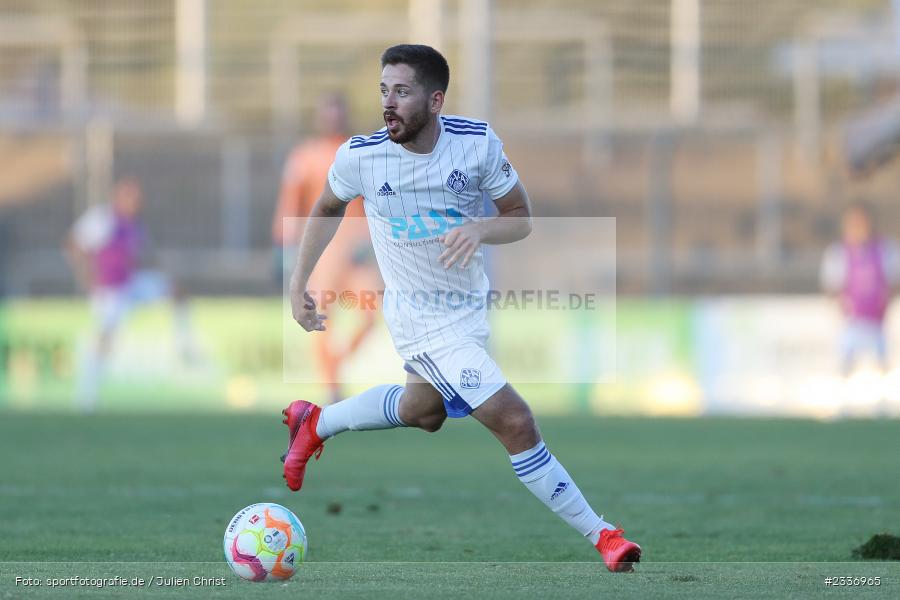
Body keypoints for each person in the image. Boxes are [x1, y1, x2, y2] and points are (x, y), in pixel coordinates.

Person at [280, 45, 640, 572]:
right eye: (384, 90)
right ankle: (604, 535)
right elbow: (328, 207)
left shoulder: (475, 146)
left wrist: (479, 227)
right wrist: (298, 282)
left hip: (468, 312)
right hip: (418, 317)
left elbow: (520, 216)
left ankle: (317, 421)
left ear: (435, 99)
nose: (389, 103)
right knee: (515, 421)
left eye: (402, 92)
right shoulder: (361, 156)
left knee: (422, 413)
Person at [272, 93, 380, 404]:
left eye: (337, 113)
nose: (333, 120)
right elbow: (290, 202)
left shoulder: (361, 153)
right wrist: (284, 245)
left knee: (370, 316)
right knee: (322, 317)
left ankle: (336, 366)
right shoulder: (304, 156)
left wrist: (373, 237)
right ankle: (332, 388)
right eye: (327, 114)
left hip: (357, 240)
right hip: (323, 243)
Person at [64, 177, 197, 412]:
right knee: (105, 339)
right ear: (118, 197)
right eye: (130, 196)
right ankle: (86, 396)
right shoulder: (103, 218)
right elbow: (73, 243)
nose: (135, 202)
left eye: (137, 198)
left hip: (130, 284)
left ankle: (184, 346)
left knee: (177, 292)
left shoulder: (135, 224)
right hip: (110, 290)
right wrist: (87, 276)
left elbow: (136, 256)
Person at [820, 202, 900, 375]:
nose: (858, 227)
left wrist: (884, 301)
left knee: (883, 373)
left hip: (879, 327)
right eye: (853, 222)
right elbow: (831, 289)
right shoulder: (838, 253)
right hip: (850, 327)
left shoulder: (886, 250)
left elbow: (894, 283)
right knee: (844, 372)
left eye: (861, 221)